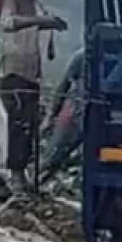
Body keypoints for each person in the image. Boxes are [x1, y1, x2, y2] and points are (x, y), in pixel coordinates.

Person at [0, 0, 67, 193]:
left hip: (30, 71)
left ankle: (24, 173)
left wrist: (47, 22)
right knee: (17, 124)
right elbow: (7, 23)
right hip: (14, 69)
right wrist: (40, 20)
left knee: (29, 124)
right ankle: (15, 173)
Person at [39, 47, 85, 184]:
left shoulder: (83, 54)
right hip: (77, 111)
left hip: (83, 112)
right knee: (52, 156)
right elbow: (63, 86)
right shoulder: (82, 56)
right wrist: (50, 116)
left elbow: (63, 86)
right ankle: (37, 182)